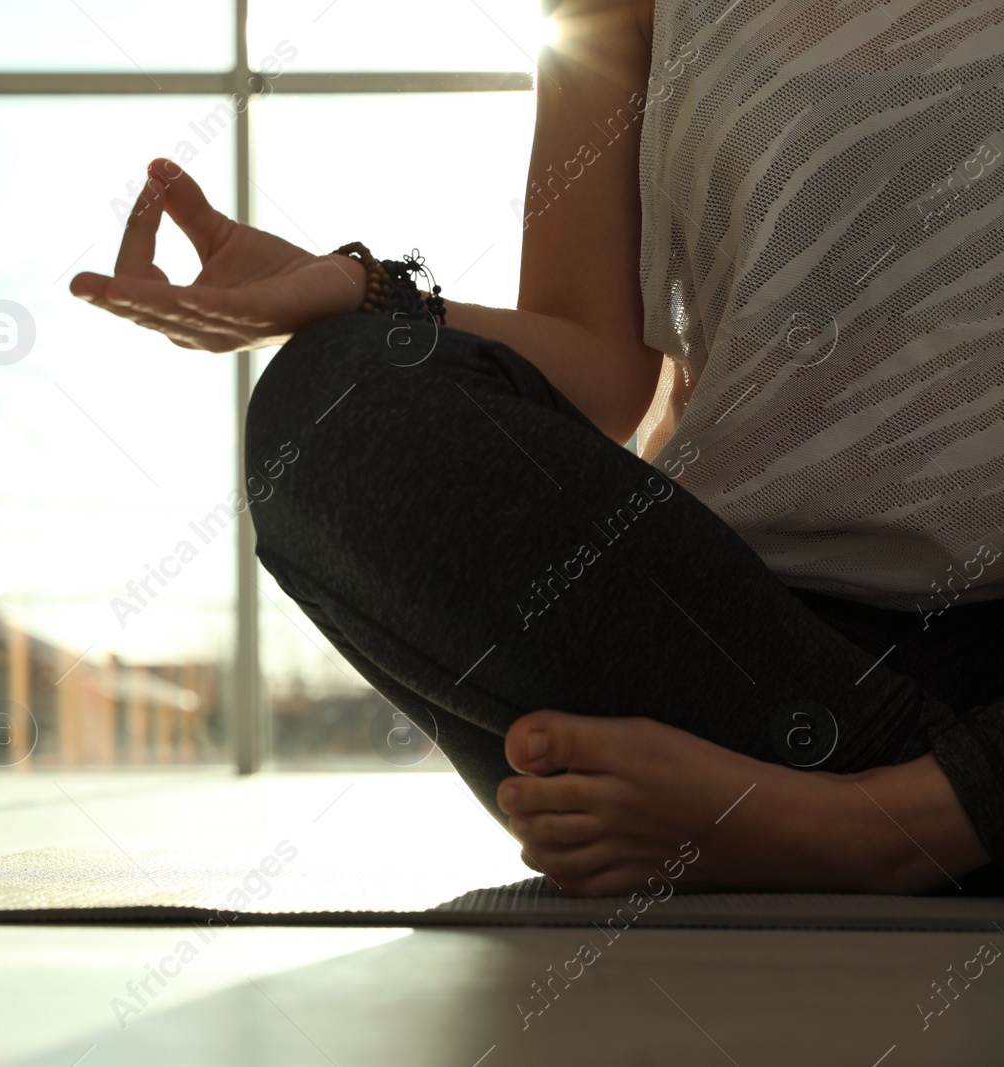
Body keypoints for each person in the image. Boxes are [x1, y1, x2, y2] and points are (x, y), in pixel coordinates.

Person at [69, 0, 1004, 896]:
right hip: (749, 652)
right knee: (331, 396)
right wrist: (354, 295)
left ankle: (865, 829)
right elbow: (597, 369)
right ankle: (904, 811)